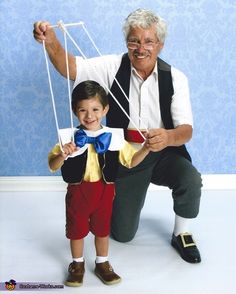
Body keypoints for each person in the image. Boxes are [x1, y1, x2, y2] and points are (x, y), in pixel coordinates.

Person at [34, 8, 202, 263]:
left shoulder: (176, 78)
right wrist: (51, 40)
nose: (140, 48)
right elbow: (70, 68)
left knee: (190, 177)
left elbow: (186, 130)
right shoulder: (112, 66)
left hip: (164, 153)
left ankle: (182, 232)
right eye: (134, 40)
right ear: (127, 43)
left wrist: (167, 138)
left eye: (148, 41)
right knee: (122, 234)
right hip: (127, 156)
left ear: (160, 45)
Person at [48, 80, 150, 286]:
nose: (89, 115)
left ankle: (102, 262)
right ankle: (77, 264)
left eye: (95, 109)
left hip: (105, 191)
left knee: (102, 228)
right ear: (75, 111)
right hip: (78, 191)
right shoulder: (69, 137)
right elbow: (52, 164)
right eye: (83, 110)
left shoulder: (112, 137)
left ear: (105, 109)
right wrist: (63, 154)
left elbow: (131, 161)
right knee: (76, 230)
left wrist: (146, 148)